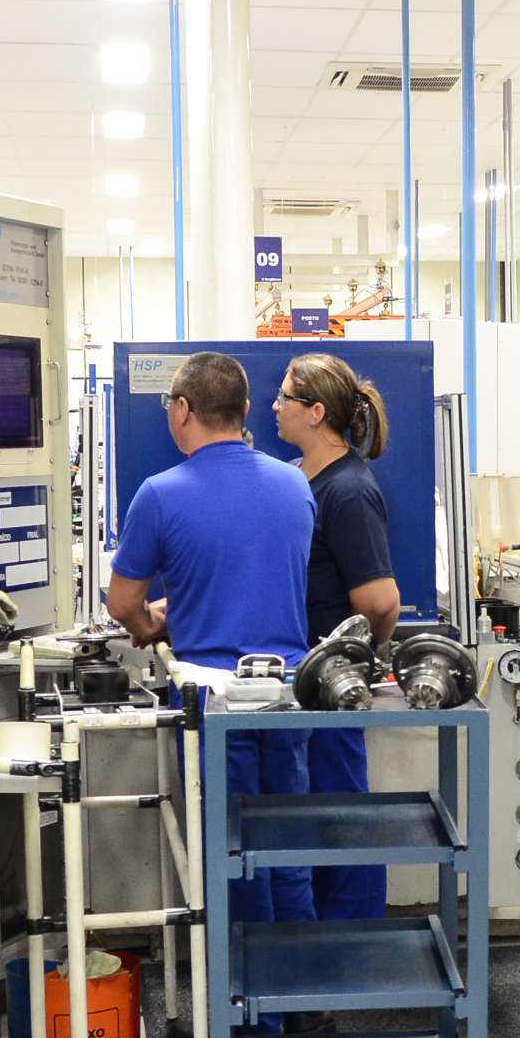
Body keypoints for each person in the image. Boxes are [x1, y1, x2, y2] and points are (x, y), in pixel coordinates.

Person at [109, 352, 317, 973]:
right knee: (288, 850)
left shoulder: (161, 495)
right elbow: (258, 575)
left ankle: (246, 1015)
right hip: (287, 696)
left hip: (212, 707)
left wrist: (154, 623)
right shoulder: (294, 484)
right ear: (247, 411)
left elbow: (124, 602)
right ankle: (301, 1000)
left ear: (182, 409)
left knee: (230, 854)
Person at [272, 351, 400, 923]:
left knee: (342, 819)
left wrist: (357, 662)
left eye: (285, 398)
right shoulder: (303, 479)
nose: (274, 407)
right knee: (309, 821)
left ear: (316, 411)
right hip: (304, 679)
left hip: (330, 682)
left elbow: (379, 601)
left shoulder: (348, 490)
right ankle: (315, 949)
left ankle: (355, 952)